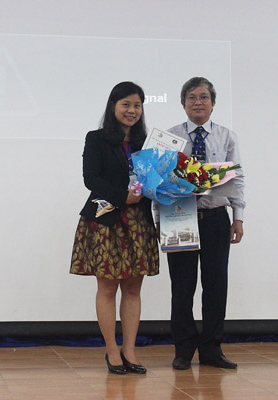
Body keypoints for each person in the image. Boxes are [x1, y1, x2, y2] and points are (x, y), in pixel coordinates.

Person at [70, 81, 159, 375]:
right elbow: (91, 179)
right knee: (107, 287)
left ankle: (129, 350)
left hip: (138, 222)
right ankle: (111, 351)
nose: (132, 110)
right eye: (126, 104)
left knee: (133, 288)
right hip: (106, 219)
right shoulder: (96, 138)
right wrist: (124, 197)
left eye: (137, 105)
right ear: (113, 106)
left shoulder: (147, 143)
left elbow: (154, 179)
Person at [166, 77, 245, 370]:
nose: (198, 102)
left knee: (215, 285)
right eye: (191, 97)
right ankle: (183, 350)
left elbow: (237, 178)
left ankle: (212, 349)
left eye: (203, 97)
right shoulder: (169, 138)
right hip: (178, 215)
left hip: (216, 218)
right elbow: (157, 180)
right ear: (183, 103)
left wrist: (238, 217)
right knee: (182, 287)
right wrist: (159, 218)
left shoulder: (226, 136)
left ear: (213, 103)